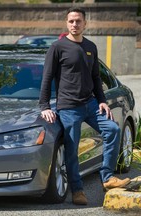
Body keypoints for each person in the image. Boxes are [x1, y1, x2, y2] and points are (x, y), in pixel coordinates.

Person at [39, 7, 130, 205]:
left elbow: (96, 77)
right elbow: (46, 78)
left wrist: (103, 101)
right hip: (68, 108)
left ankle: (107, 177)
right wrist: (44, 105)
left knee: (113, 129)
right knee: (72, 149)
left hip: (91, 104)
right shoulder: (57, 47)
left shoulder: (90, 46)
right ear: (66, 23)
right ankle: (78, 190)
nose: (74, 24)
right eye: (71, 21)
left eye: (78, 21)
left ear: (85, 24)